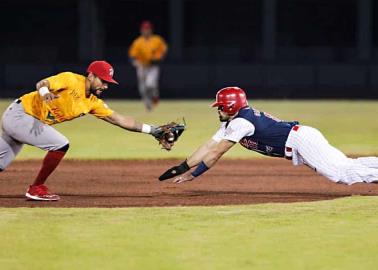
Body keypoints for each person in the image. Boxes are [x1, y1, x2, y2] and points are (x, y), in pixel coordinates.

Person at [0, 60, 169, 201]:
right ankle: (36, 188)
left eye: (108, 82)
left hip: (24, 120)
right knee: (60, 144)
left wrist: (153, 130)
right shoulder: (71, 79)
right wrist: (44, 93)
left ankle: (35, 188)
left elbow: (120, 120)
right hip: (20, 115)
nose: (105, 86)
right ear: (91, 75)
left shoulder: (92, 102)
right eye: (103, 81)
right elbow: (42, 83)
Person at [159, 86, 378, 185]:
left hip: (301, 141)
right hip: (301, 139)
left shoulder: (241, 123)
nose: (218, 110)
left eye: (221, 107)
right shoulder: (233, 121)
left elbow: (216, 152)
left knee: (341, 174)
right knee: (346, 167)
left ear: (232, 106)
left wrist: (192, 174)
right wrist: (183, 167)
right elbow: (209, 146)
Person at [128, 20, 168, 111]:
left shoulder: (157, 40)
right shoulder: (138, 42)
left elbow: (163, 50)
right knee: (142, 88)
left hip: (153, 66)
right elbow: (132, 55)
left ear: (151, 30)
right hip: (142, 66)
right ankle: (148, 105)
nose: (146, 31)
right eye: (144, 29)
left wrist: (159, 58)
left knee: (150, 84)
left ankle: (155, 96)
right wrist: (135, 62)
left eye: (148, 29)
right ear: (141, 30)